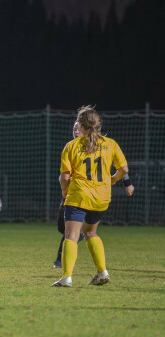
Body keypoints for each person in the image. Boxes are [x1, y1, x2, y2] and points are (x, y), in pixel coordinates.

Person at [52, 106, 129, 287]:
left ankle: (66, 278)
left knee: (71, 235)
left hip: (78, 196)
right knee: (90, 232)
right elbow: (123, 169)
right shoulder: (110, 144)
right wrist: (112, 180)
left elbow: (64, 177)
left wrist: (65, 190)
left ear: (80, 124)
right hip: (101, 198)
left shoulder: (72, 146)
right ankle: (102, 272)